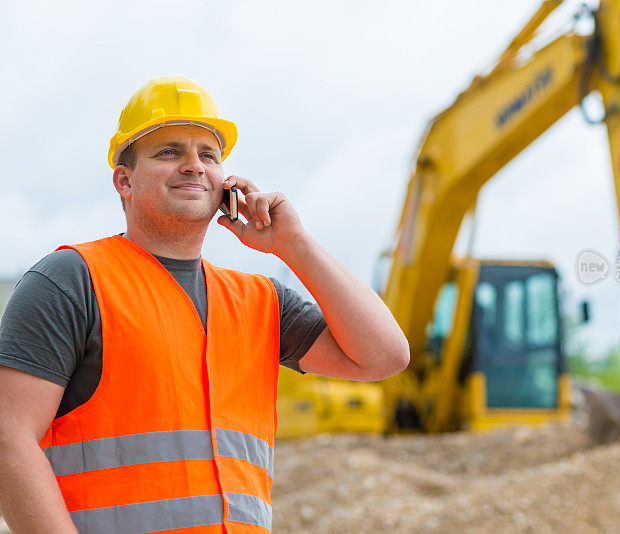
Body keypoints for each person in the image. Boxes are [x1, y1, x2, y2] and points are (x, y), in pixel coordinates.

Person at [0, 76, 409, 534]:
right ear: (124, 181)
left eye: (207, 154)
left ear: (225, 184)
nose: (194, 166)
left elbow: (385, 356)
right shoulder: (71, 280)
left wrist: (293, 245)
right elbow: (8, 441)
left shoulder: (260, 301)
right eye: (169, 151)